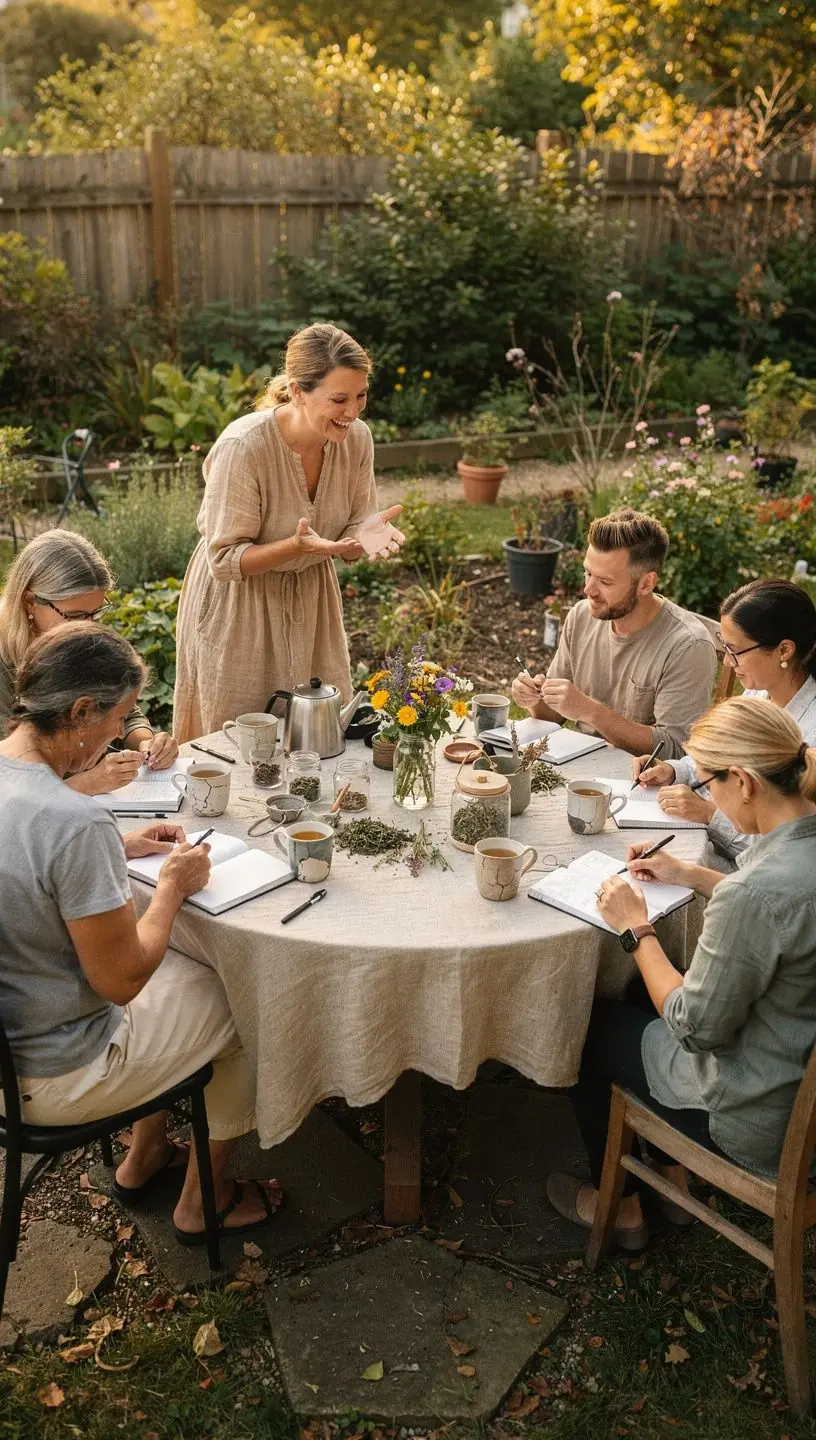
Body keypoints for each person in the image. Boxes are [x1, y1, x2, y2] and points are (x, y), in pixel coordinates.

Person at [0, 622, 282, 1243]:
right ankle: (200, 1203)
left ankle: (143, 1156)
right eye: (118, 718)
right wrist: (175, 888)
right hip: (56, 1071)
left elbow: (27, 874)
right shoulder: (73, 821)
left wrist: (118, 848)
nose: (117, 736)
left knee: (187, 976)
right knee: (249, 1000)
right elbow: (123, 980)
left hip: (13, 1044)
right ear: (79, 711)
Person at [546, 696, 816, 1249]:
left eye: (708, 784)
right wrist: (691, 873)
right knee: (644, 996)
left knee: (581, 1024)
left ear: (742, 781)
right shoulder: (793, 861)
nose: (705, 796)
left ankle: (619, 1209)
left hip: (757, 1116)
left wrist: (635, 928)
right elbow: (783, 913)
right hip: (792, 1062)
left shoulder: (755, 893)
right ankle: (675, 1182)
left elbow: (695, 1028)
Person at [173, 323, 405, 743]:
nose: (352, 412)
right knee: (239, 742)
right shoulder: (243, 447)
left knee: (318, 734)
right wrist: (294, 547)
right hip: (240, 606)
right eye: (338, 399)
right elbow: (224, 561)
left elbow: (350, 532)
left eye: (360, 396)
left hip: (312, 602)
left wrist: (362, 538)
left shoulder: (358, 440)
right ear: (298, 391)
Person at [632, 579, 816, 860]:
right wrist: (674, 771)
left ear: (784, 650)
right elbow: (722, 761)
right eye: (724, 647)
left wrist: (710, 815)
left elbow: (792, 856)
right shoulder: (759, 692)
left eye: (735, 651)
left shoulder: (810, 735)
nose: (727, 663)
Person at [511, 509, 716, 758]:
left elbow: (675, 750)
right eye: (587, 573)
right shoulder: (581, 616)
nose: (589, 590)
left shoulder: (687, 646)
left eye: (605, 582)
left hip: (641, 788)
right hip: (578, 769)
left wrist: (591, 712)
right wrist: (534, 698)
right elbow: (553, 714)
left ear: (646, 584)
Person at [0, 531, 177, 794]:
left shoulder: (75, 636)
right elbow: (11, 786)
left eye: (95, 613)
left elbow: (122, 709)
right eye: (75, 615)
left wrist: (147, 745)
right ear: (30, 602)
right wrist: (86, 784)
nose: (87, 626)